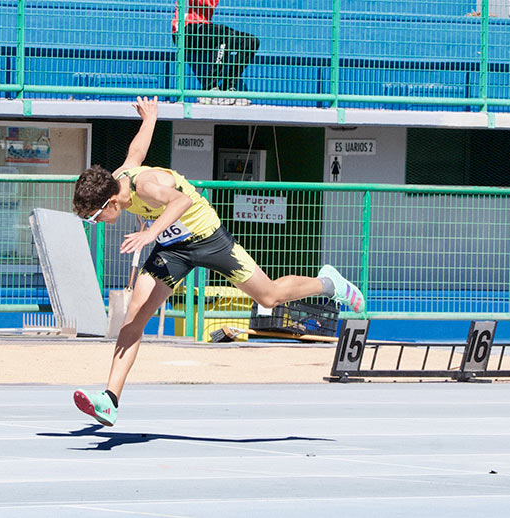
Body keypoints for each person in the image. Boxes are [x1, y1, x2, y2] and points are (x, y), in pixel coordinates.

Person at [71, 97, 364, 426]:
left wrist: (150, 232)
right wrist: (150, 119)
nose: (96, 223)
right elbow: (135, 153)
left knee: (269, 297)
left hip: (209, 240)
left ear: (111, 202)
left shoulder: (147, 186)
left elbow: (180, 201)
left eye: (95, 217)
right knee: (134, 316)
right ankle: (110, 399)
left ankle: (329, 283)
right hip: (173, 250)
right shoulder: (119, 178)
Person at [172, 0, 260, 106]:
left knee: (251, 41)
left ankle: (228, 89)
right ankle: (209, 90)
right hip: (184, 30)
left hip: (204, 28)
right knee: (223, 34)